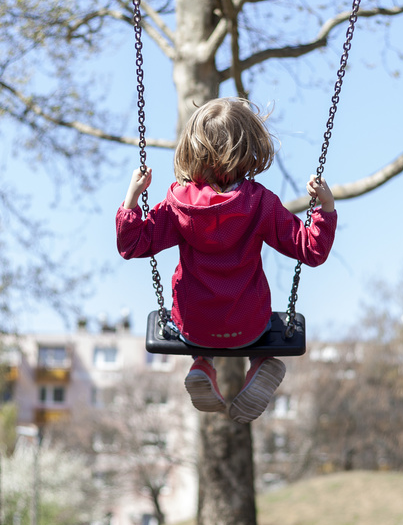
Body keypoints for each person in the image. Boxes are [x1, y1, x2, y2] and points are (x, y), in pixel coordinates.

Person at [116, 98, 337, 423]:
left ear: (191, 149)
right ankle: (261, 364)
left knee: (198, 323)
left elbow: (132, 244)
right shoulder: (260, 203)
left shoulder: (177, 203)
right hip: (248, 324)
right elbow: (311, 250)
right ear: (249, 149)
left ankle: (202, 365)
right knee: (259, 333)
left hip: (192, 325)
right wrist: (326, 209)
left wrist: (132, 199)